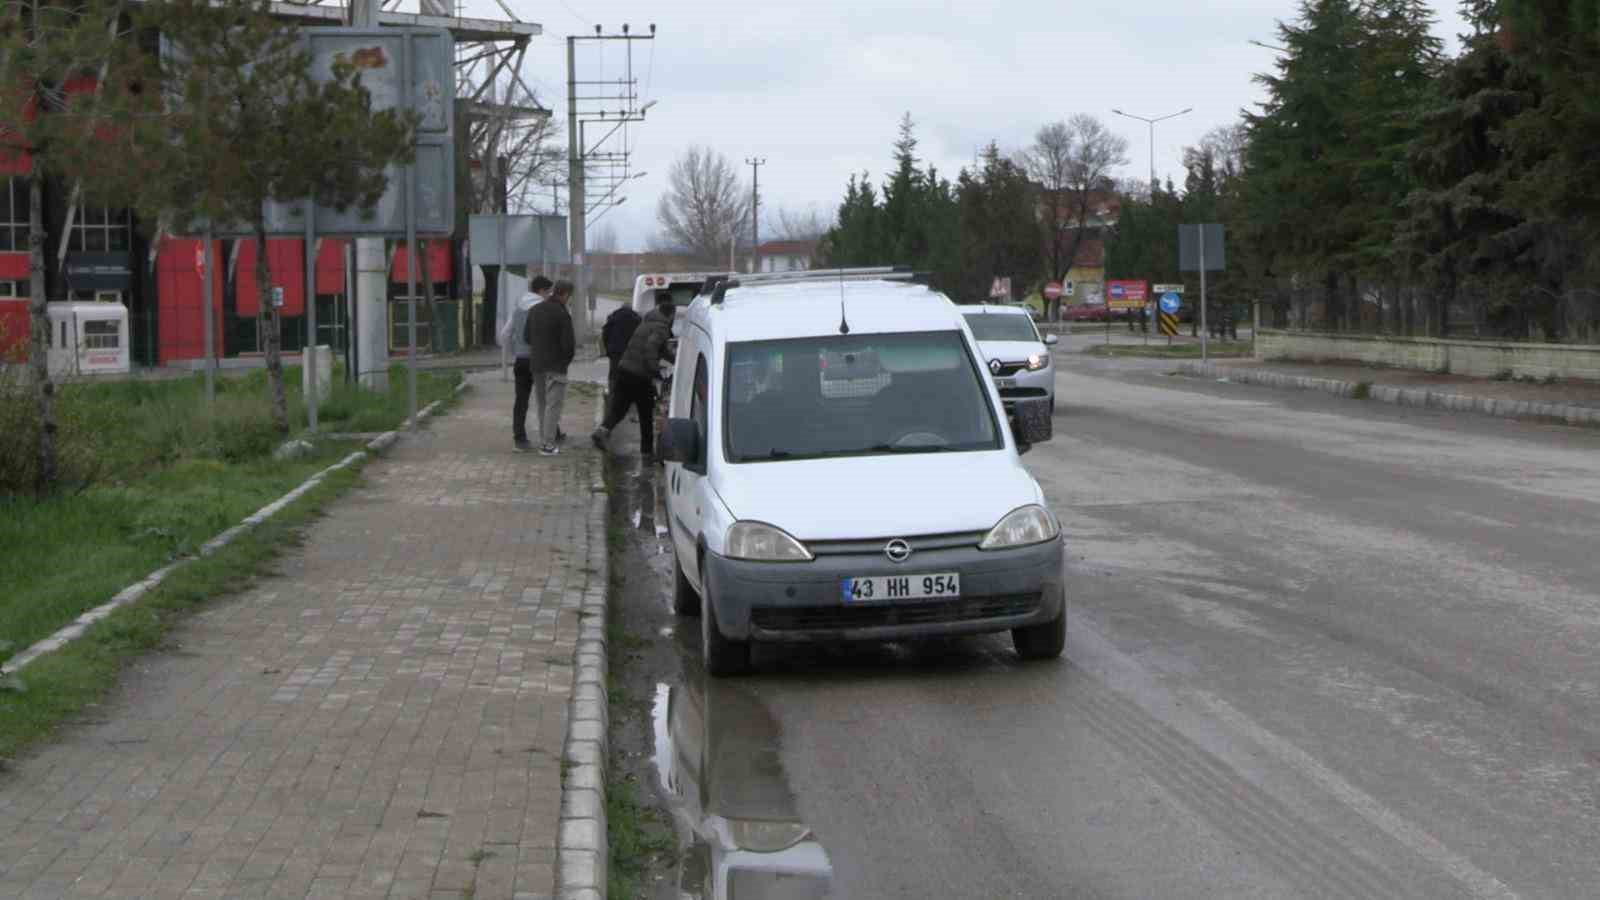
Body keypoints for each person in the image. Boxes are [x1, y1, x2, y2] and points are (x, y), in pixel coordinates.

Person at [591, 291, 675, 458]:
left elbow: (660, 349)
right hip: (640, 376)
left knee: (620, 407)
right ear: (670, 315)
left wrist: (675, 359)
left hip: (624, 369)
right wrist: (656, 371)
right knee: (646, 413)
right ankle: (647, 453)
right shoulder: (662, 327)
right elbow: (650, 349)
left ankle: (601, 431)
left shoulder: (647, 322)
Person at [503, 275, 553, 452]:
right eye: (548, 292)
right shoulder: (543, 308)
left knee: (521, 400)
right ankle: (547, 438)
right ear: (541, 290)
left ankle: (520, 439)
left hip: (521, 361)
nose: (549, 295)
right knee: (545, 400)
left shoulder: (518, 308)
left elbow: (505, 334)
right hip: (539, 361)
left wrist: (514, 352)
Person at [526, 279, 576, 456]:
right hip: (556, 366)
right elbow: (569, 345)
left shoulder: (535, 310)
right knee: (553, 406)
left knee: (542, 404)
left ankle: (544, 440)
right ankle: (547, 445)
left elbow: (526, 337)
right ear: (566, 294)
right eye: (569, 296)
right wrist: (565, 362)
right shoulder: (562, 314)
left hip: (537, 365)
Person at [600, 299, 643, 405]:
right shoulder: (637, 319)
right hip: (631, 352)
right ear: (631, 308)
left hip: (615, 351)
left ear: (621, 307)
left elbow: (605, 333)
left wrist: (608, 348)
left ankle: (613, 396)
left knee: (614, 373)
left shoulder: (613, 317)